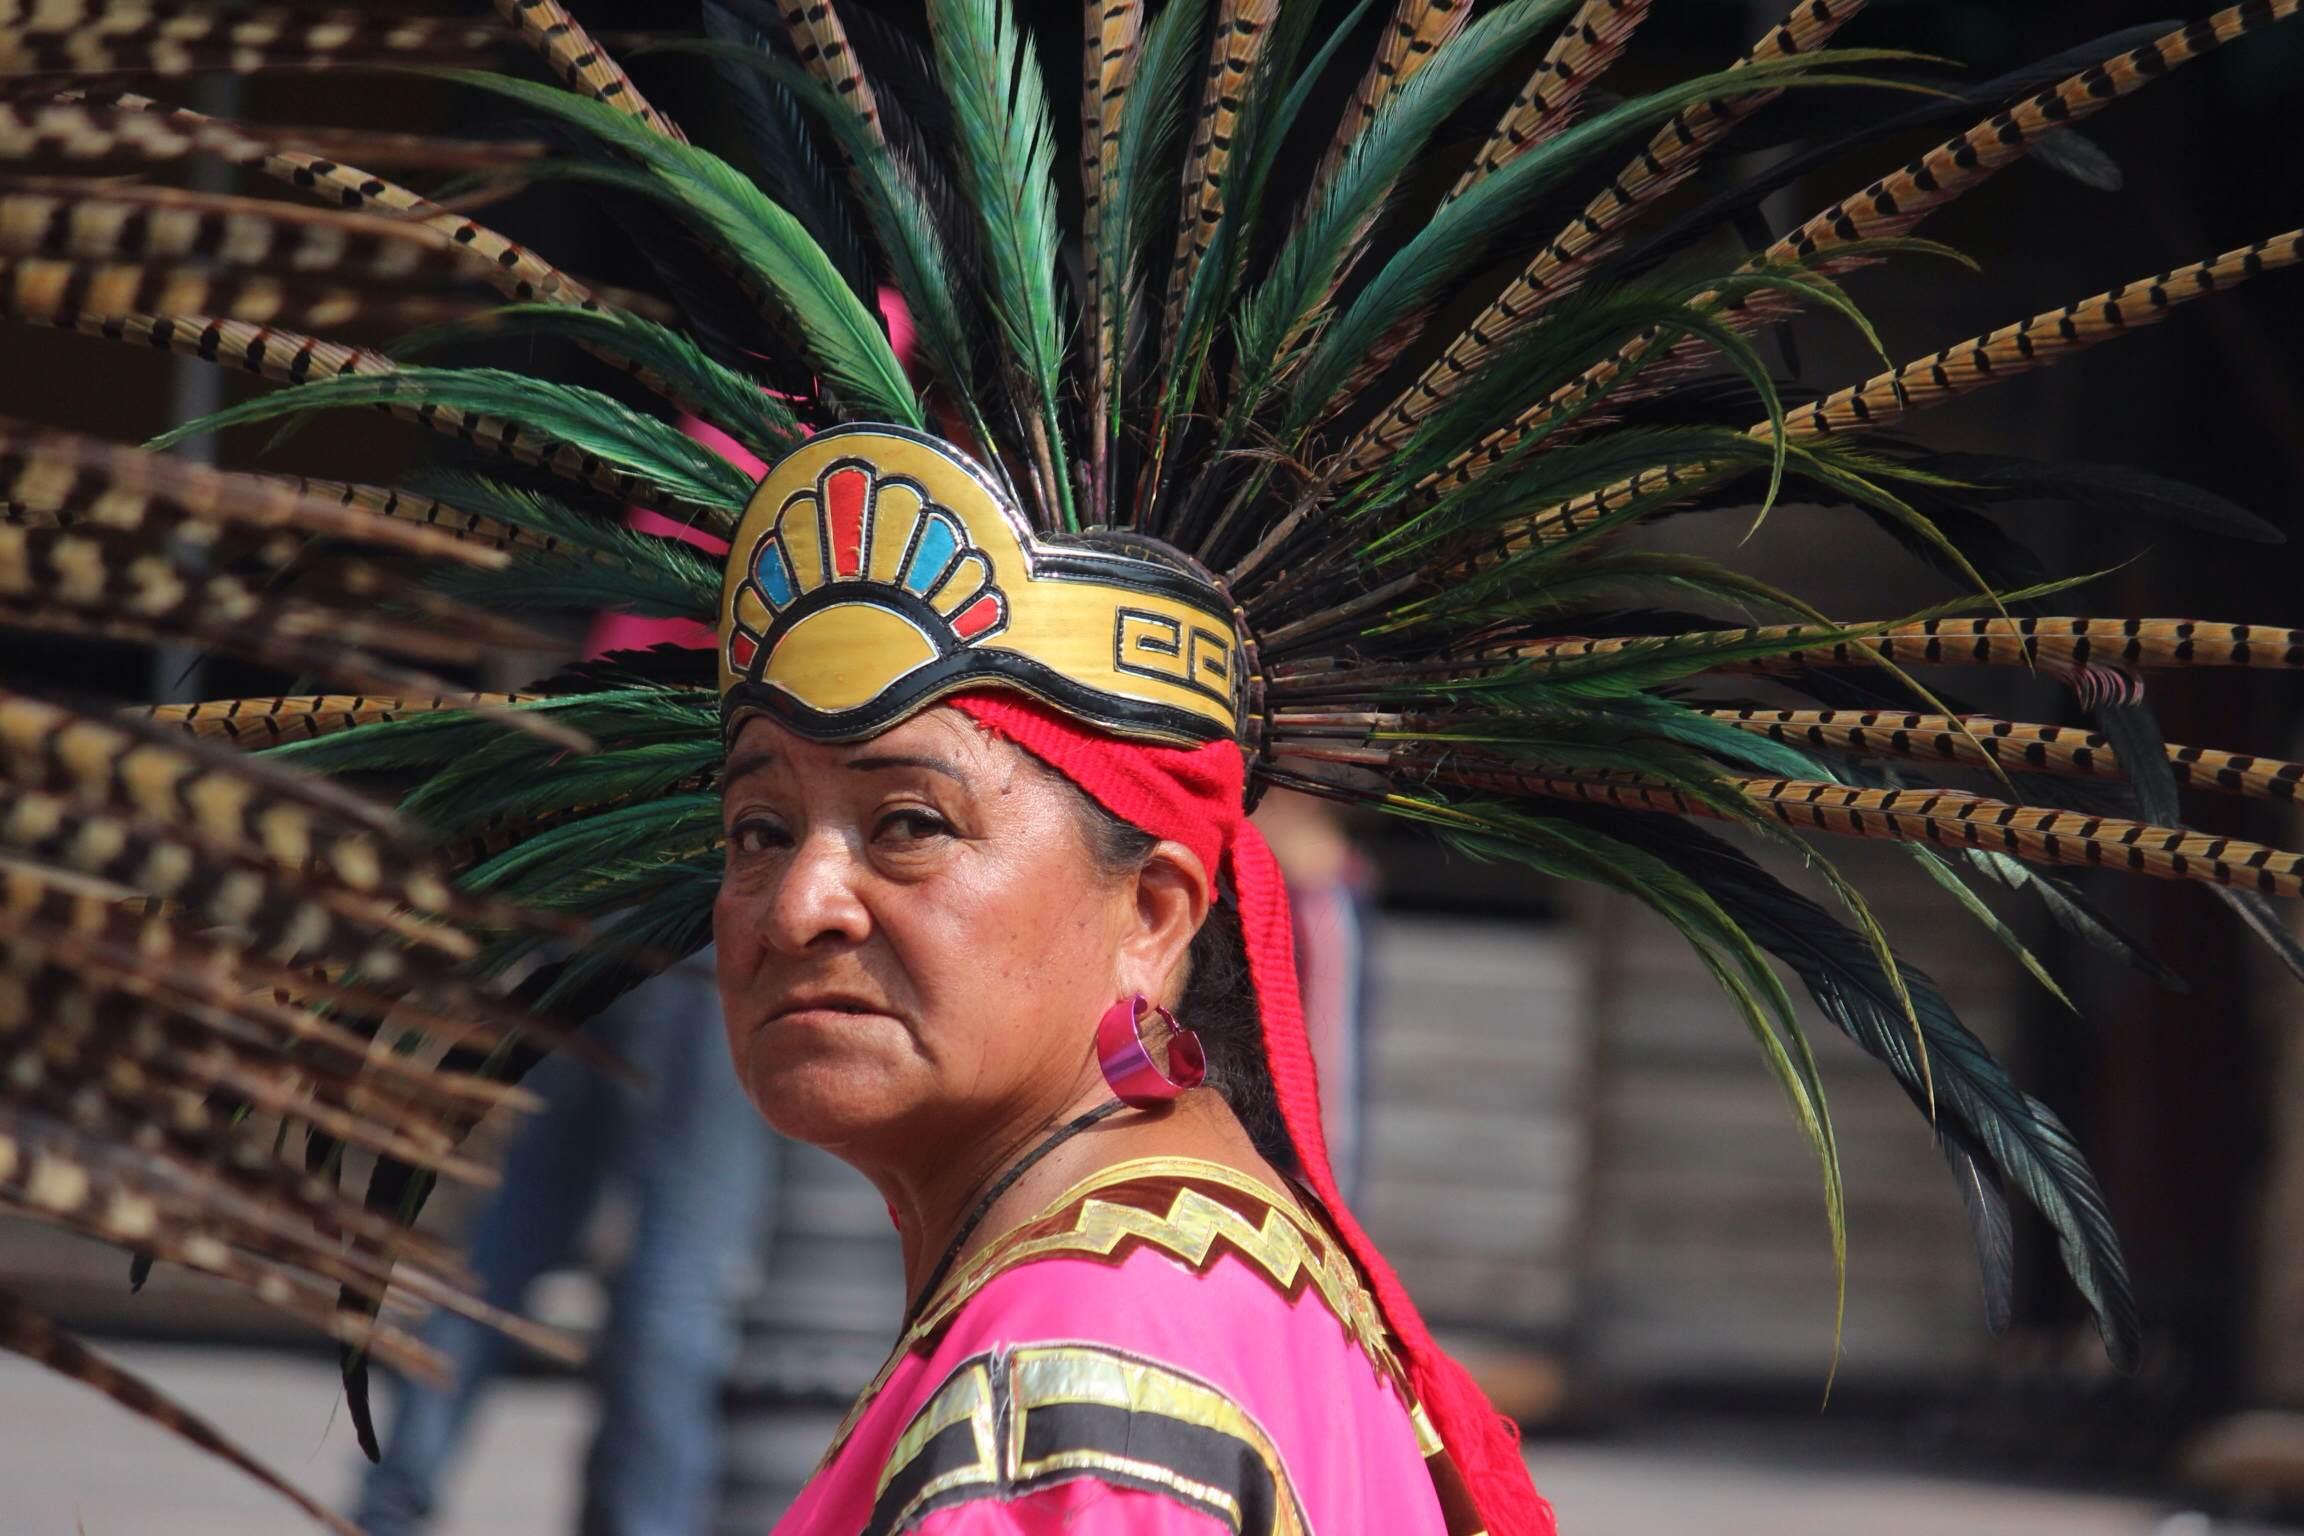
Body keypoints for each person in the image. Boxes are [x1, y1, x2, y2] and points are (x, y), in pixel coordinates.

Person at [354, 951, 776, 1536]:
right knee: (680, 1264)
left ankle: (388, 1505)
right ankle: (647, 1523)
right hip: (701, 928)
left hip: (608, 916)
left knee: (517, 1227)